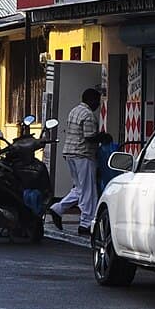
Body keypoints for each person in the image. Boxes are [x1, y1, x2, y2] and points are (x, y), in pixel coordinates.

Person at [49, 87, 102, 233]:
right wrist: (103, 137)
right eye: (97, 101)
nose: (98, 104)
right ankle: (86, 223)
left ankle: (58, 208)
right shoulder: (88, 114)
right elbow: (89, 137)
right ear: (91, 100)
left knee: (79, 188)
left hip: (70, 153)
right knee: (88, 191)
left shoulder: (74, 111)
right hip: (83, 154)